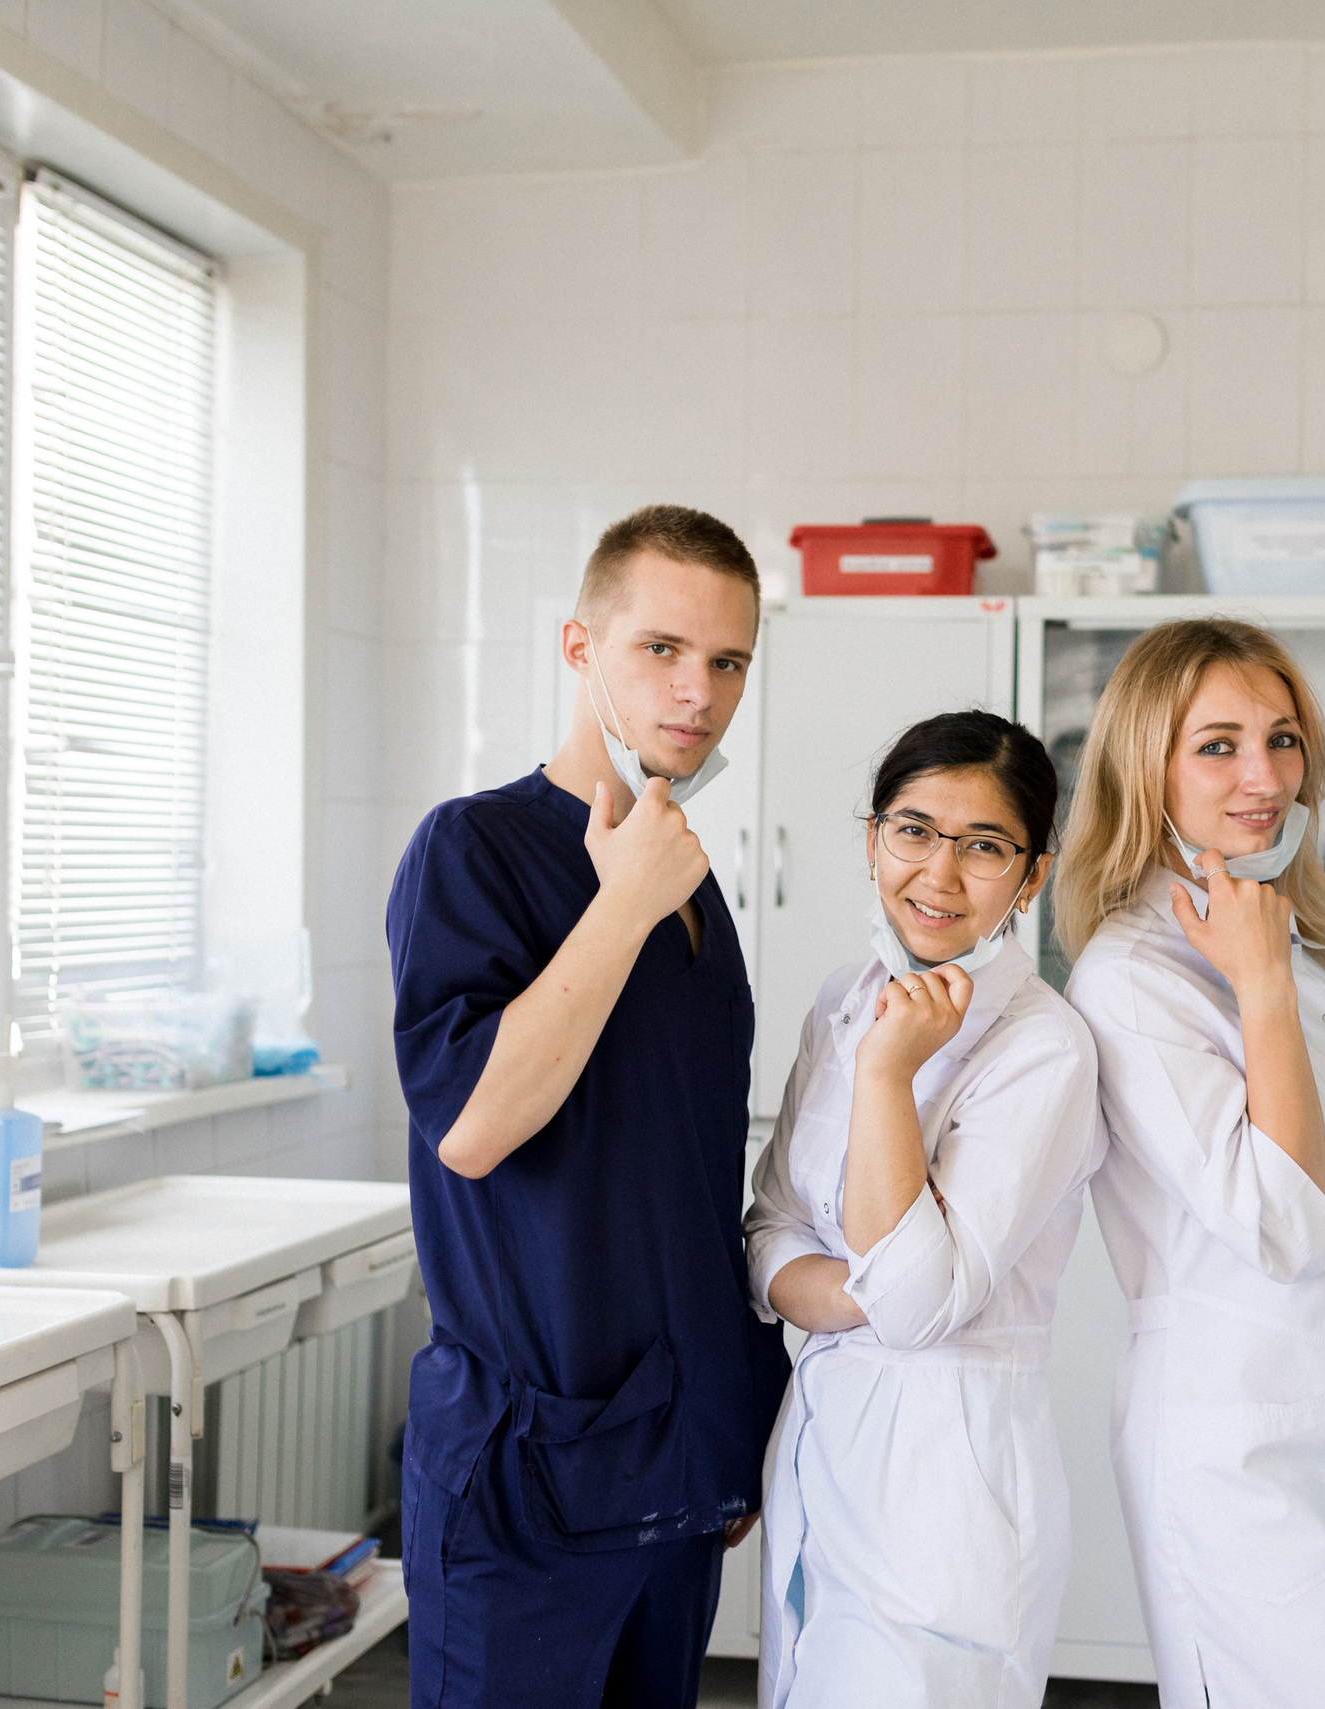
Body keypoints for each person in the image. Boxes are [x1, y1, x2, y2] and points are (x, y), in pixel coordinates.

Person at [386, 504, 791, 1709]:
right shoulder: (476, 848)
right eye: (659, 650)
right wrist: (617, 908)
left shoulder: (690, 891)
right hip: (527, 1478)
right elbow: (471, 1125)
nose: (697, 692)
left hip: (672, 1467)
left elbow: (681, 1175)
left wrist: (724, 1420)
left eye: (727, 662)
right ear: (578, 648)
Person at [1054, 619, 1325, 1709]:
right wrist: (1259, 981)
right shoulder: (1133, 973)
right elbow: (1281, 1219)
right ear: (1147, 764)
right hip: (1245, 1452)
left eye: (1283, 740)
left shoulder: (1280, 943)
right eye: (1219, 744)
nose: (1265, 776)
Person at [744, 710, 1103, 1709]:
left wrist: (887, 1076)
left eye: (984, 845)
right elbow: (769, 1222)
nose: (938, 875)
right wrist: (847, 1284)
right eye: (911, 830)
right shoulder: (845, 997)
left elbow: (914, 1309)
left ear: (1030, 876)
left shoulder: (1043, 1048)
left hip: (950, 1484)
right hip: (821, 1444)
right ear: (870, 840)